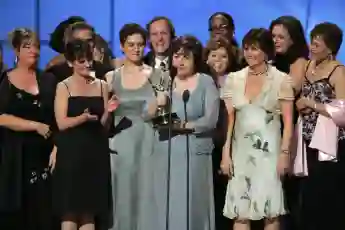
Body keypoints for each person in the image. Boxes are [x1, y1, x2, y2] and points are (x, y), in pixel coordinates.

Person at [221, 28, 294, 230]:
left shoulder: (281, 79)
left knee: (270, 212)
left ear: (266, 51)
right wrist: (225, 154)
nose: (249, 53)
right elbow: (229, 120)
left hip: (269, 155)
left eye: (254, 49)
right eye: (246, 49)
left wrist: (285, 153)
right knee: (240, 212)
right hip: (240, 153)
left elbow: (288, 122)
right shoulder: (234, 79)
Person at [108, 23, 169, 230]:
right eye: (131, 44)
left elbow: (166, 115)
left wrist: (158, 107)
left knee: (148, 195)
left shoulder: (158, 76)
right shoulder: (111, 77)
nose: (136, 49)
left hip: (149, 144)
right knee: (123, 195)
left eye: (140, 44)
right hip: (120, 145)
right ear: (122, 46)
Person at [157, 35, 219, 230]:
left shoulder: (206, 82)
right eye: (177, 56)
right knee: (172, 203)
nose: (180, 61)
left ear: (195, 59)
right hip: (170, 152)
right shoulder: (166, 82)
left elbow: (210, 120)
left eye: (186, 57)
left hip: (197, 152)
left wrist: (184, 125)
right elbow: (159, 119)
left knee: (195, 204)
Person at [0, 28, 57, 230]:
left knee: (43, 215)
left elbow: (58, 118)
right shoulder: (5, 81)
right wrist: (35, 126)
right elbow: (1, 117)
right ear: (16, 50)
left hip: (45, 156)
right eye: (27, 46)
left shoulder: (49, 80)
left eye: (36, 46)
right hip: (16, 157)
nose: (33, 50)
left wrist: (57, 147)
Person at [52, 39, 112, 230]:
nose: (87, 64)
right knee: (70, 212)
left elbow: (103, 126)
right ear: (70, 63)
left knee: (89, 214)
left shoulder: (102, 85)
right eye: (81, 61)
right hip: (71, 155)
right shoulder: (64, 87)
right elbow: (61, 123)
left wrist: (109, 111)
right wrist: (82, 118)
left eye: (88, 60)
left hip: (95, 153)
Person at [296, 22, 345, 230]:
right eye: (312, 42)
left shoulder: (338, 71)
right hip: (305, 140)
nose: (312, 47)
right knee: (306, 197)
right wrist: (299, 104)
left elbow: (342, 111)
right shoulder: (306, 66)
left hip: (329, 144)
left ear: (331, 48)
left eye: (318, 44)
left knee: (326, 196)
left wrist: (312, 105)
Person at [269, 15, 309, 230]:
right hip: (270, 131)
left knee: (289, 197)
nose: (276, 41)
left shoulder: (299, 62)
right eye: (273, 36)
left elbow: (289, 92)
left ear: (293, 39)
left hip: (289, 133)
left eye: (281, 37)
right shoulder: (272, 62)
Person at [45, 22, 113, 82]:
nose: (85, 45)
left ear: (94, 43)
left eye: (89, 41)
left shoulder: (105, 73)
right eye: (79, 41)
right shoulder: (56, 74)